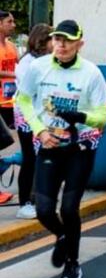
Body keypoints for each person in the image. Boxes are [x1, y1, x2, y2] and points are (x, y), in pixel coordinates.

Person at [15, 20, 106, 278]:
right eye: (57, 39)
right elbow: (22, 100)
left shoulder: (90, 73)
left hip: (81, 146)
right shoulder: (38, 67)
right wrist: (40, 131)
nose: (62, 45)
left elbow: (102, 117)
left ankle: (72, 263)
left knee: (69, 208)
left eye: (68, 40)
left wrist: (79, 116)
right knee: (44, 210)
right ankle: (63, 235)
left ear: (80, 43)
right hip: (48, 144)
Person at [12, 23, 52, 220]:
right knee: (29, 158)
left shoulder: (48, 60)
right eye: (52, 39)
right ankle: (24, 203)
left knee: (41, 158)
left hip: (42, 115)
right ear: (42, 41)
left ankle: (38, 198)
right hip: (27, 116)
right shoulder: (28, 62)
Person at [0, 10, 18, 206]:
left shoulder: (12, 46)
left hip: (11, 102)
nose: (13, 25)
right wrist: (15, 75)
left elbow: (18, 67)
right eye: (9, 21)